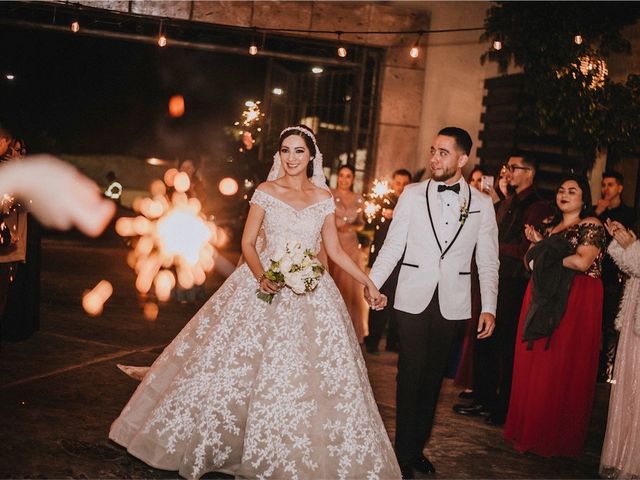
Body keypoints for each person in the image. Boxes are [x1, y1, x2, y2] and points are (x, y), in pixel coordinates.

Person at [109, 125, 401, 479]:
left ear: (312, 157)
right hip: (263, 283)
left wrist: (368, 282)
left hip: (311, 292)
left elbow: (335, 251)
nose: (291, 158)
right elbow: (248, 243)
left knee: (305, 375)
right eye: (285, 151)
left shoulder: (322, 198)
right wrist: (264, 275)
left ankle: (291, 450)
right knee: (235, 366)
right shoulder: (265, 191)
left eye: (298, 151)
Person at [369, 126, 499, 478]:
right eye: (432, 150)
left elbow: (487, 259)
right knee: (410, 372)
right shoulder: (411, 194)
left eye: (443, 152)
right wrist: (372, 283)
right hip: (412, 294)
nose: (434, 158)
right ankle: (402, 453)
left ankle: (414, 449)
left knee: (432, 378)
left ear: (462, 158)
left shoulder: (482, 204)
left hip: (452, 301)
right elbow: (393, 245)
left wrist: (489, 306)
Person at [504, 175, 605, 457]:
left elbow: (583, 261)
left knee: (560, 361)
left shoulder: (591, 225)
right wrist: (539, 245)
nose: (565, 194)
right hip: (542, 293)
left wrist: (543, 254)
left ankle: (553, 435)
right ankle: (531, 428)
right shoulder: (551, 225)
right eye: (561, 189)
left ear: (584, 199)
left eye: (573, 191)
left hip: (577, 296)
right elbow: (535, 261)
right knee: (535, 360)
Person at [454, 153, 552, 425]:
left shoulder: (537, 206)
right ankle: (483, 397)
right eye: (506, 167)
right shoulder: (508, 200)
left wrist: (488, 247)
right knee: (485, 338)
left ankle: (503, 405)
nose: (507, 172)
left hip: (514, 280)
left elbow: (523, 248)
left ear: (529, 173)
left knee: (506, 344)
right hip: (494, 277)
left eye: (513, 168)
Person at [600, 219, 640, 479]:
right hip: (634, 316)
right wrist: (623, 243)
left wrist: (633, 247)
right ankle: (624, 454)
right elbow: (632, 266)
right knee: (629, 387)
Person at [364, 168, 412, 354]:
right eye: (397, 183)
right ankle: (372, 341)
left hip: (404, 260)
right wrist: (380, 214)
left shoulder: (411, 203)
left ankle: (393, 341)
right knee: (377, 295)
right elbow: (367, 220)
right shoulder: (381, 201)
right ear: (392, 183)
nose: (400, 187)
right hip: (382, 258)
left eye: (404, 183)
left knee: (397, 301)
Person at [594, 171, 636, 382]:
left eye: (611, 184)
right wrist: (599, 212)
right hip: (596, 274)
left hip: (615, 276)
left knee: (611, 325)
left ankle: (606, 368)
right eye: (603, 185)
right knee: (596, 323)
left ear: (620, 187)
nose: (606, 189)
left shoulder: (629, 214)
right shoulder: (597, 212)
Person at [329, 164, 369, 343]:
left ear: (353, 179)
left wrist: (351, 226)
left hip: (351, 245)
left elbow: (361, 223)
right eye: (342, 175)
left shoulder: (358, 199)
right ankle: (330, 326)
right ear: (338, 177)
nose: (344, 179)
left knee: (349, 287)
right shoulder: (328, 194)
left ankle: (349, 330)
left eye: (348, 176)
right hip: (332, 242)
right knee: (332, 283)